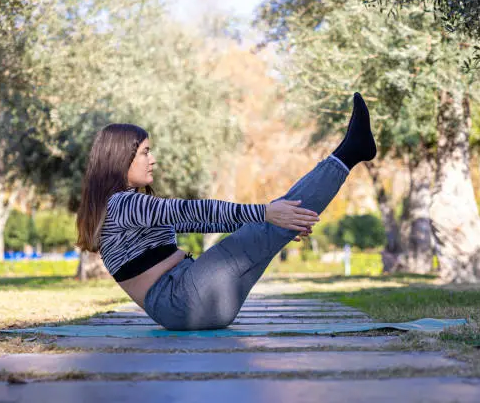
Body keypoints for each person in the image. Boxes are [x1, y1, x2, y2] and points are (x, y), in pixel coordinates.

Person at [76, 92, 376, 331]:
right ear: (120, 159)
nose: (152, 160)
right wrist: (264, 213)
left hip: (187, 304)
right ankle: (349, 153)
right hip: (183, 299)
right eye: (145, 152)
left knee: (273, 228)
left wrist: (275, 223)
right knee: (267, 222)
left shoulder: (118, 207)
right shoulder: (123, 204)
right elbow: (193, 213)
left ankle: (348, 154)